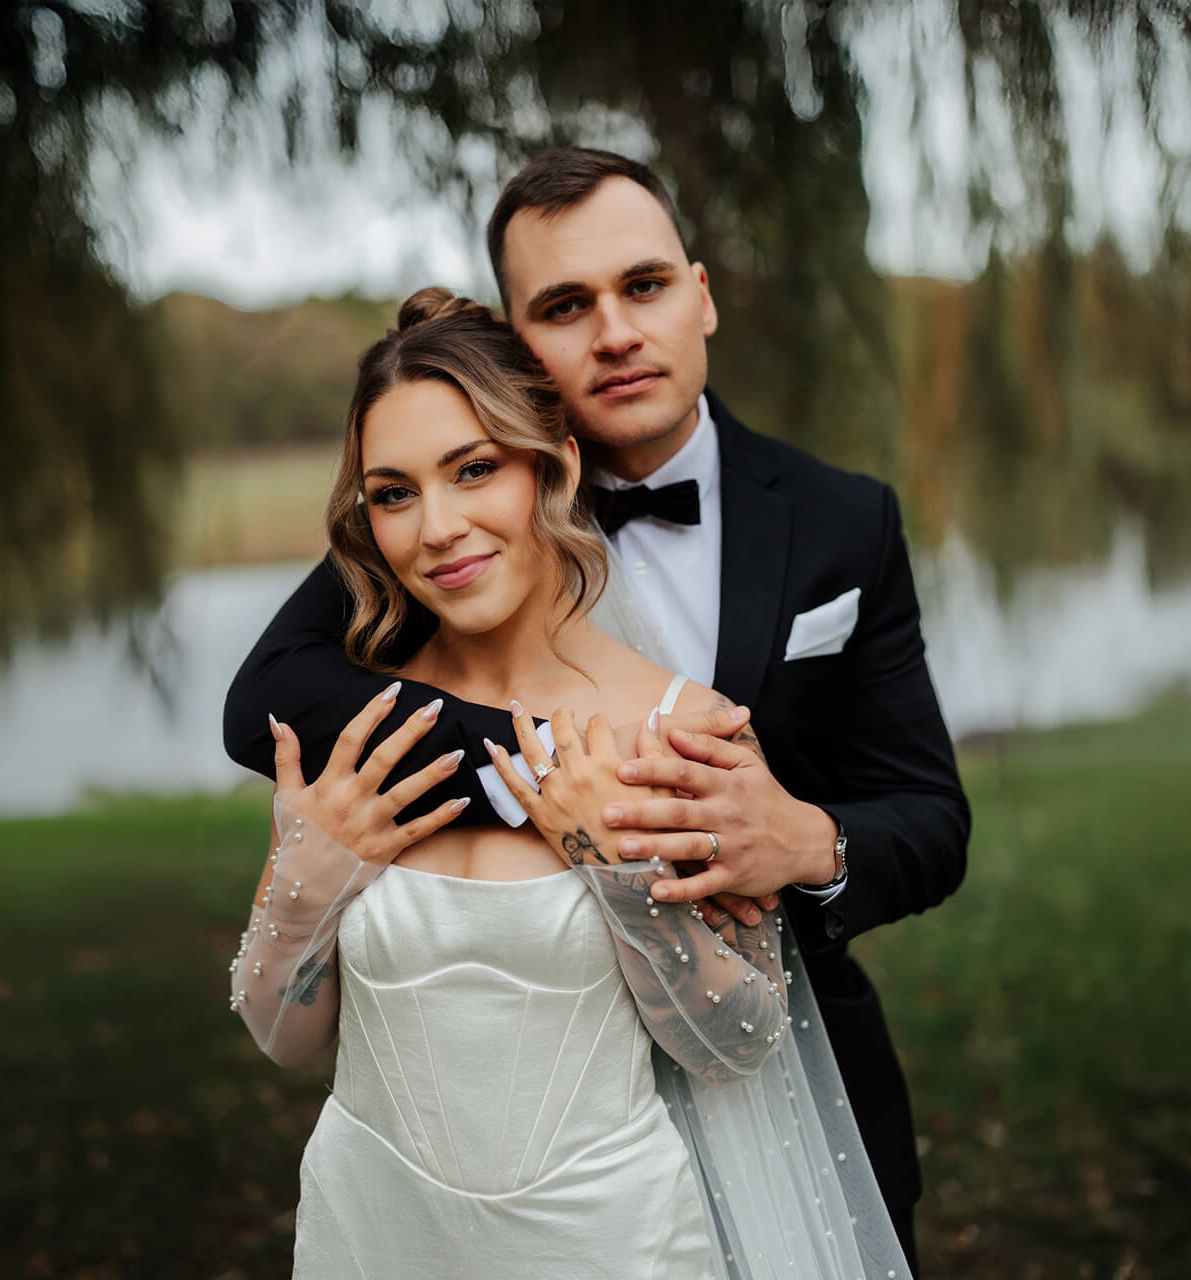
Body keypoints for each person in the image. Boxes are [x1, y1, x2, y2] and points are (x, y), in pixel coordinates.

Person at [225, 148, 969, 1267]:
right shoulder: (437, 522)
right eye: (566, 306)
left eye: (646, 286)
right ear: (516, 344)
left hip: (768, 1121)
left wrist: (803, 840)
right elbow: (266, 694)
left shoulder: (839, 522)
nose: (615, 332)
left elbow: (931, 817)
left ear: (700, 293)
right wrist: (545, 770)